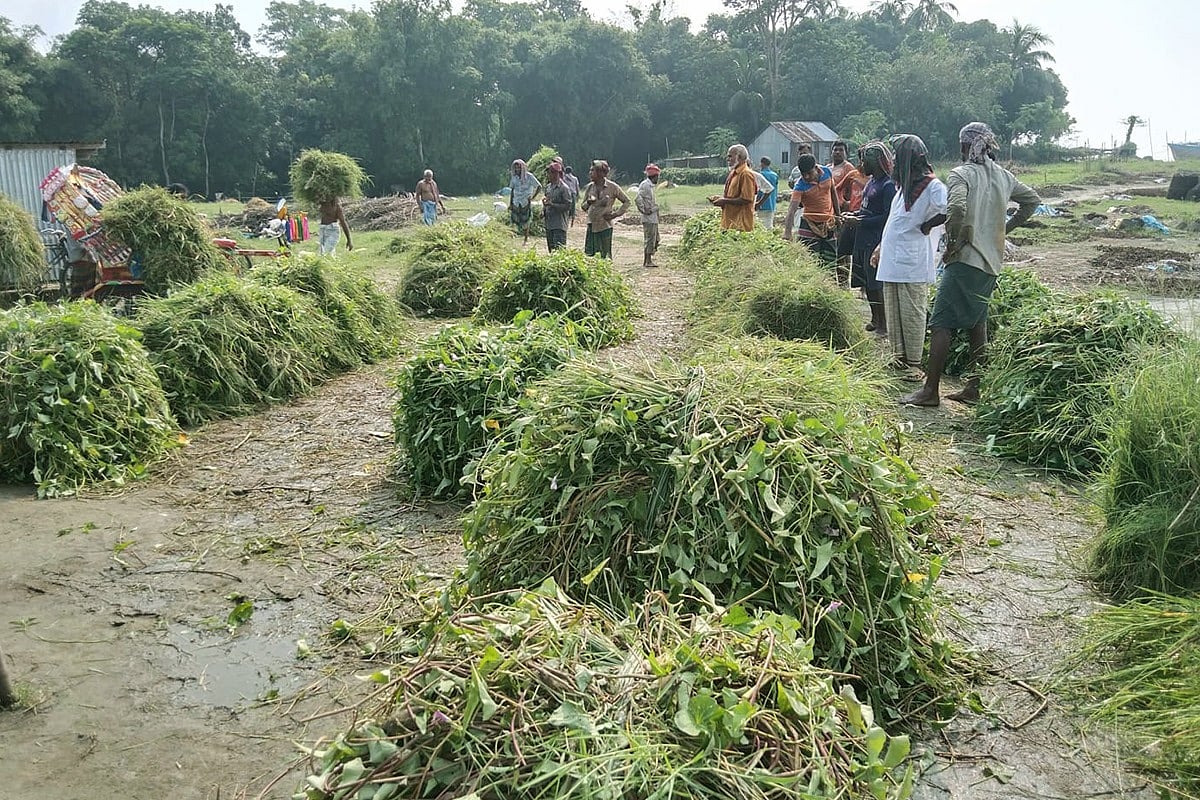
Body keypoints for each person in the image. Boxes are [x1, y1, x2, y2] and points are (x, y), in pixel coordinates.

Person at [901, 122, 1040, 407]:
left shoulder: (960, 174)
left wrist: (954, 242)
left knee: (940, 323)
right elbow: (1032, 201)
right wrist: (1003, 229)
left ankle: (930, 391)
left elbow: (956, 208)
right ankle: (974, 388)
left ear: (964, 146)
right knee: (978, 324)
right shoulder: (1004, 177)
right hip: (991, 263)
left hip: (965, 259)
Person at [875, 134, 948, 378]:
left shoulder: (932, 185)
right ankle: (898, 357)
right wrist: (879, 248)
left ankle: (915, 363)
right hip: (893, 258)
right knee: (893, 308)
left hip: (912, 258)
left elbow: (949, 210)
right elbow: (892, 223)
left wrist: (928, 225)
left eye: (897, 157)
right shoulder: (902, 188)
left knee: (913, 309)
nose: (894, 161)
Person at [844, 141, 896, 334]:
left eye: (864, 161)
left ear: (875, 162)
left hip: (875, 238)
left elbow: (887, 216)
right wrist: (855, 215)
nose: (861, 165)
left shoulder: (888, 186)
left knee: (876, 282)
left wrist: (861, 222)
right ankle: (875, 318)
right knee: (866, 281)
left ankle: (883, 323)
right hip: (862, 236)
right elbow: (867, 209)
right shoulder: (872, 182)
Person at [782, 153, 840, 262]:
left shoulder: (827, 172)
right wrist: (787, 232)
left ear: (816, 168)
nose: (807, 177)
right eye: (803, 174)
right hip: (809, 225)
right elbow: (792, 210)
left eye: (809, 173)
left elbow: (833, 193)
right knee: (810, 261)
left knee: (830, 260)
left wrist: (838, 216)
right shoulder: (799, 186)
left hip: (829, 224)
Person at [833, 149, 868, 286]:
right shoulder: (853, 175)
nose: (863, 162)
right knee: (843, 251)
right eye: (861, 159)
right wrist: (843, 203)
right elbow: (837, 189)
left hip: (865, 219)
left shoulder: (877, 178)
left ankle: (864, 287)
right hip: (850, 217)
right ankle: (843, 284)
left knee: (863, 255)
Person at [581, 159, 629, 258]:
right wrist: (589, 202)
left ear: (601, 173)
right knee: (590, 254)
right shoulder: (590, 187)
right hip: (591, 225)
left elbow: (627, 201)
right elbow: (583, 206)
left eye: (592, 171)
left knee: (605, 255)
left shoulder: (612, 187)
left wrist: (615, 214)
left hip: (605, 226)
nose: (590, 173)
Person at [708, 144, 757, 232]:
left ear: (740, 157)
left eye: (730, 156)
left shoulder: (746, 174)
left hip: (740, 225)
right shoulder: (733, 173)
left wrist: (725, 201)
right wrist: (721, 200)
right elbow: (733, 197)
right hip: (729, 222)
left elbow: (747, 199)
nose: (728, 159)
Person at [541, 161, 573, 252]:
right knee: (551, 250)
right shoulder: (548, 187)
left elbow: (568, 205)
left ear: (557, 174)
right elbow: (547, 201)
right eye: (548, 172)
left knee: (559, 251)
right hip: (549, 224)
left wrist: (552, 205)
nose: (549, 175)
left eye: (551, 172)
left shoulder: (564, 188)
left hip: (559, 224)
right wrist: (543, 210)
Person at [508, 159, 541, 244]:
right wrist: (510, 203)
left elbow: (538, 186)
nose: (517, 170)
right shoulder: (514, 178)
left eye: (519, 168)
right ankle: (514, 236)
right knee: (514, 219)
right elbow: (512, 190)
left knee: (526, 219)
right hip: (516, 200)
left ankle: (526, 239)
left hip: (525, 201)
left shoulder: (529, 176)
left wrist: (532, 197)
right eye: (515, 168)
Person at [636, 163, 662, 267]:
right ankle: (647, 261)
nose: (658, 179)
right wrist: (643, 210)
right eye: (657, 177)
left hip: (653, 217)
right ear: (653, 176)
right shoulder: (645, 185)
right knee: (649, 239)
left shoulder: (650, 186)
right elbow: (638, 198)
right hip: (649, 218)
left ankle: (648, 259)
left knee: (655, 239)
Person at [755, 156, 779, 229]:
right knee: (769, 224)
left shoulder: (760, 175)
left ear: (762, 163)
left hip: (762, 204)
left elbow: (758, 190)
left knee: (760, 226)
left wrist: (757, 202)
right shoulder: (775, 175)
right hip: (772, 203)